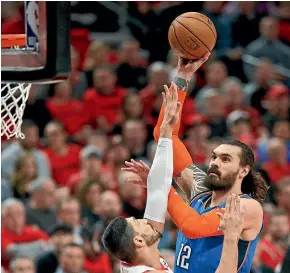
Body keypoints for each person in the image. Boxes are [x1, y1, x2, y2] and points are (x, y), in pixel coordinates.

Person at [123, 55, 268, 273]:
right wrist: (182, 77)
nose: (215, 162)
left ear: (244, 170)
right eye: (214, 157)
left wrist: (159, 185)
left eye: (226, 159)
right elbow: (165, 135)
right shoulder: (200, 189)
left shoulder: (246, 207)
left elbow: (193, 227)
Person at [103, 74, 247, 273]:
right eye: (138, 222)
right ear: (138, 240)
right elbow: (192, 225)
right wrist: (230, 238)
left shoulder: (139, 256)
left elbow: (157, 195)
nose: (145, 219)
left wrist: (182, 76)